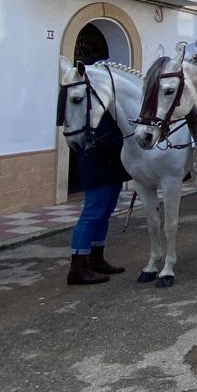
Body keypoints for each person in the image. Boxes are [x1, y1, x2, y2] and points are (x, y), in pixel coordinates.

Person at [66, 110, 131, 285]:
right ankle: (78, 268)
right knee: (91, 215)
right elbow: (105, 138)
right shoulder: (93, 111)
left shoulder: (110, 109)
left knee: (105, 214)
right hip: (99, 167)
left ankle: (96, 258)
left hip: (112, 168)